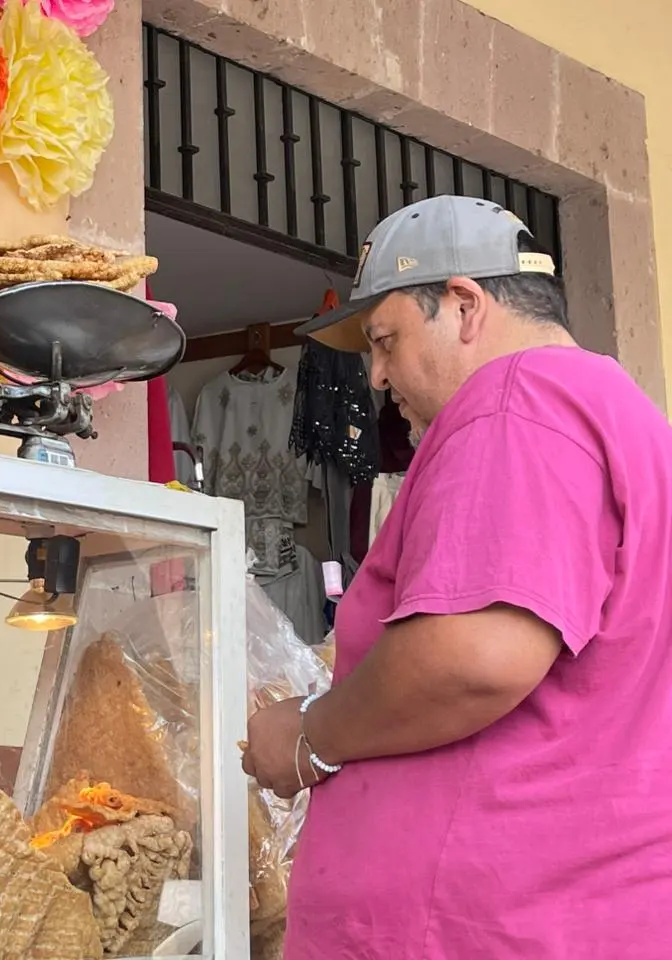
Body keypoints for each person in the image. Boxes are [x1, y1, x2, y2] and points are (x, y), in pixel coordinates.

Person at [240, 195, 672, 958]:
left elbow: (472, 659)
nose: (374, 377)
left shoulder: (515, 399)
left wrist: (306, 737)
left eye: (385, 341)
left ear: (465, 306)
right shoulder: (622, 415)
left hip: (486, 925)